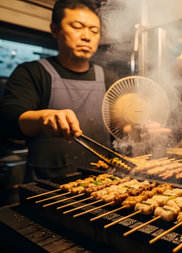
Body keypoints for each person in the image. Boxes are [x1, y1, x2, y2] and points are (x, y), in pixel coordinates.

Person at [0, 0, 111, 182]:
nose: (86, 36)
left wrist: (137, 127)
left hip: (103, 180)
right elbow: (9, 119)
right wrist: (44, 118)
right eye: (77, 27)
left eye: (94, 31)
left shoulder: (107, 76)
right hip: (47, 185)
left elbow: (119, 122)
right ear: (54, 30)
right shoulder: (32, 72)